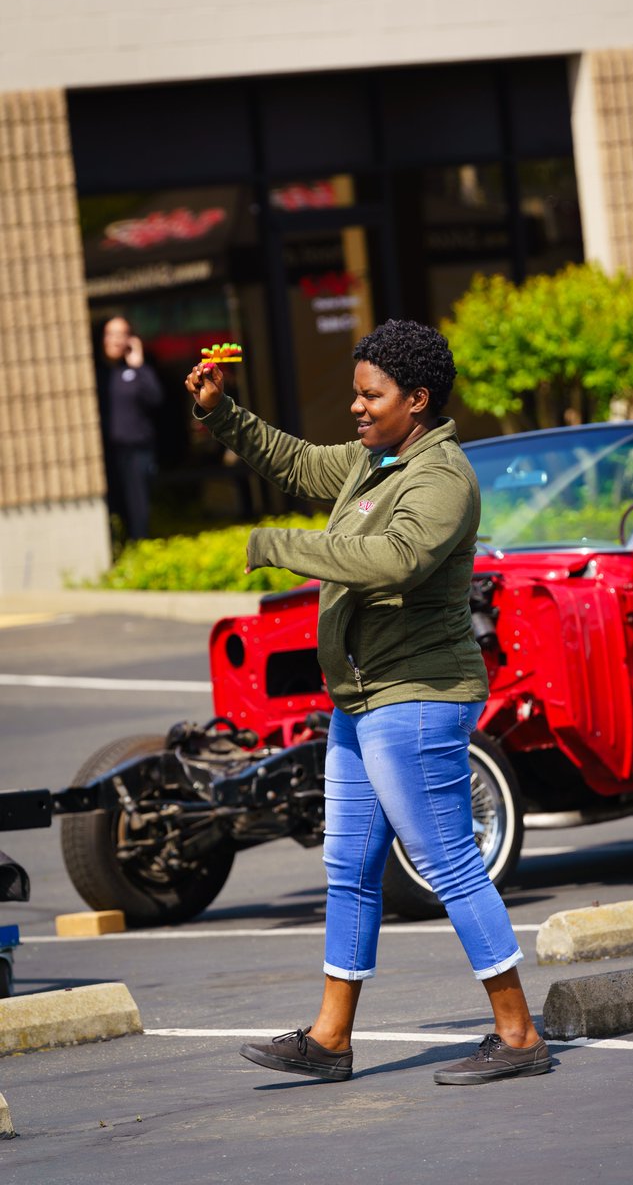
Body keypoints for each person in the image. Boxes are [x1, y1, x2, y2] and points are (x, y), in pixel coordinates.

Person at [184, 319, 551, 1086]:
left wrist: (279, 544)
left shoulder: (440, 477)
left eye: (370, 395)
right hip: (361, 699)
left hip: (417, 697)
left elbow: (392, 562)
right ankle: (330, 1038)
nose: (355, 408)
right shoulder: (372, 463)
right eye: (355, 393)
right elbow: (294, 460)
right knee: (349, 865)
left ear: (416, 399)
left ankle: (518, 1034)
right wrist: (223, 412)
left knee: (448, 861)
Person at [98, 315, 163, 540]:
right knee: (115, 507)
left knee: (139, 508)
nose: (115, 340)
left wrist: (139, 366)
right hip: (108, 452)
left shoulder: (138, 369)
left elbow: (156, 398)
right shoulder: (97, 373)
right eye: (111, 334)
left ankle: (140, 550)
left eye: (121, 334)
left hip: (137, 450)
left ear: (130, 339)